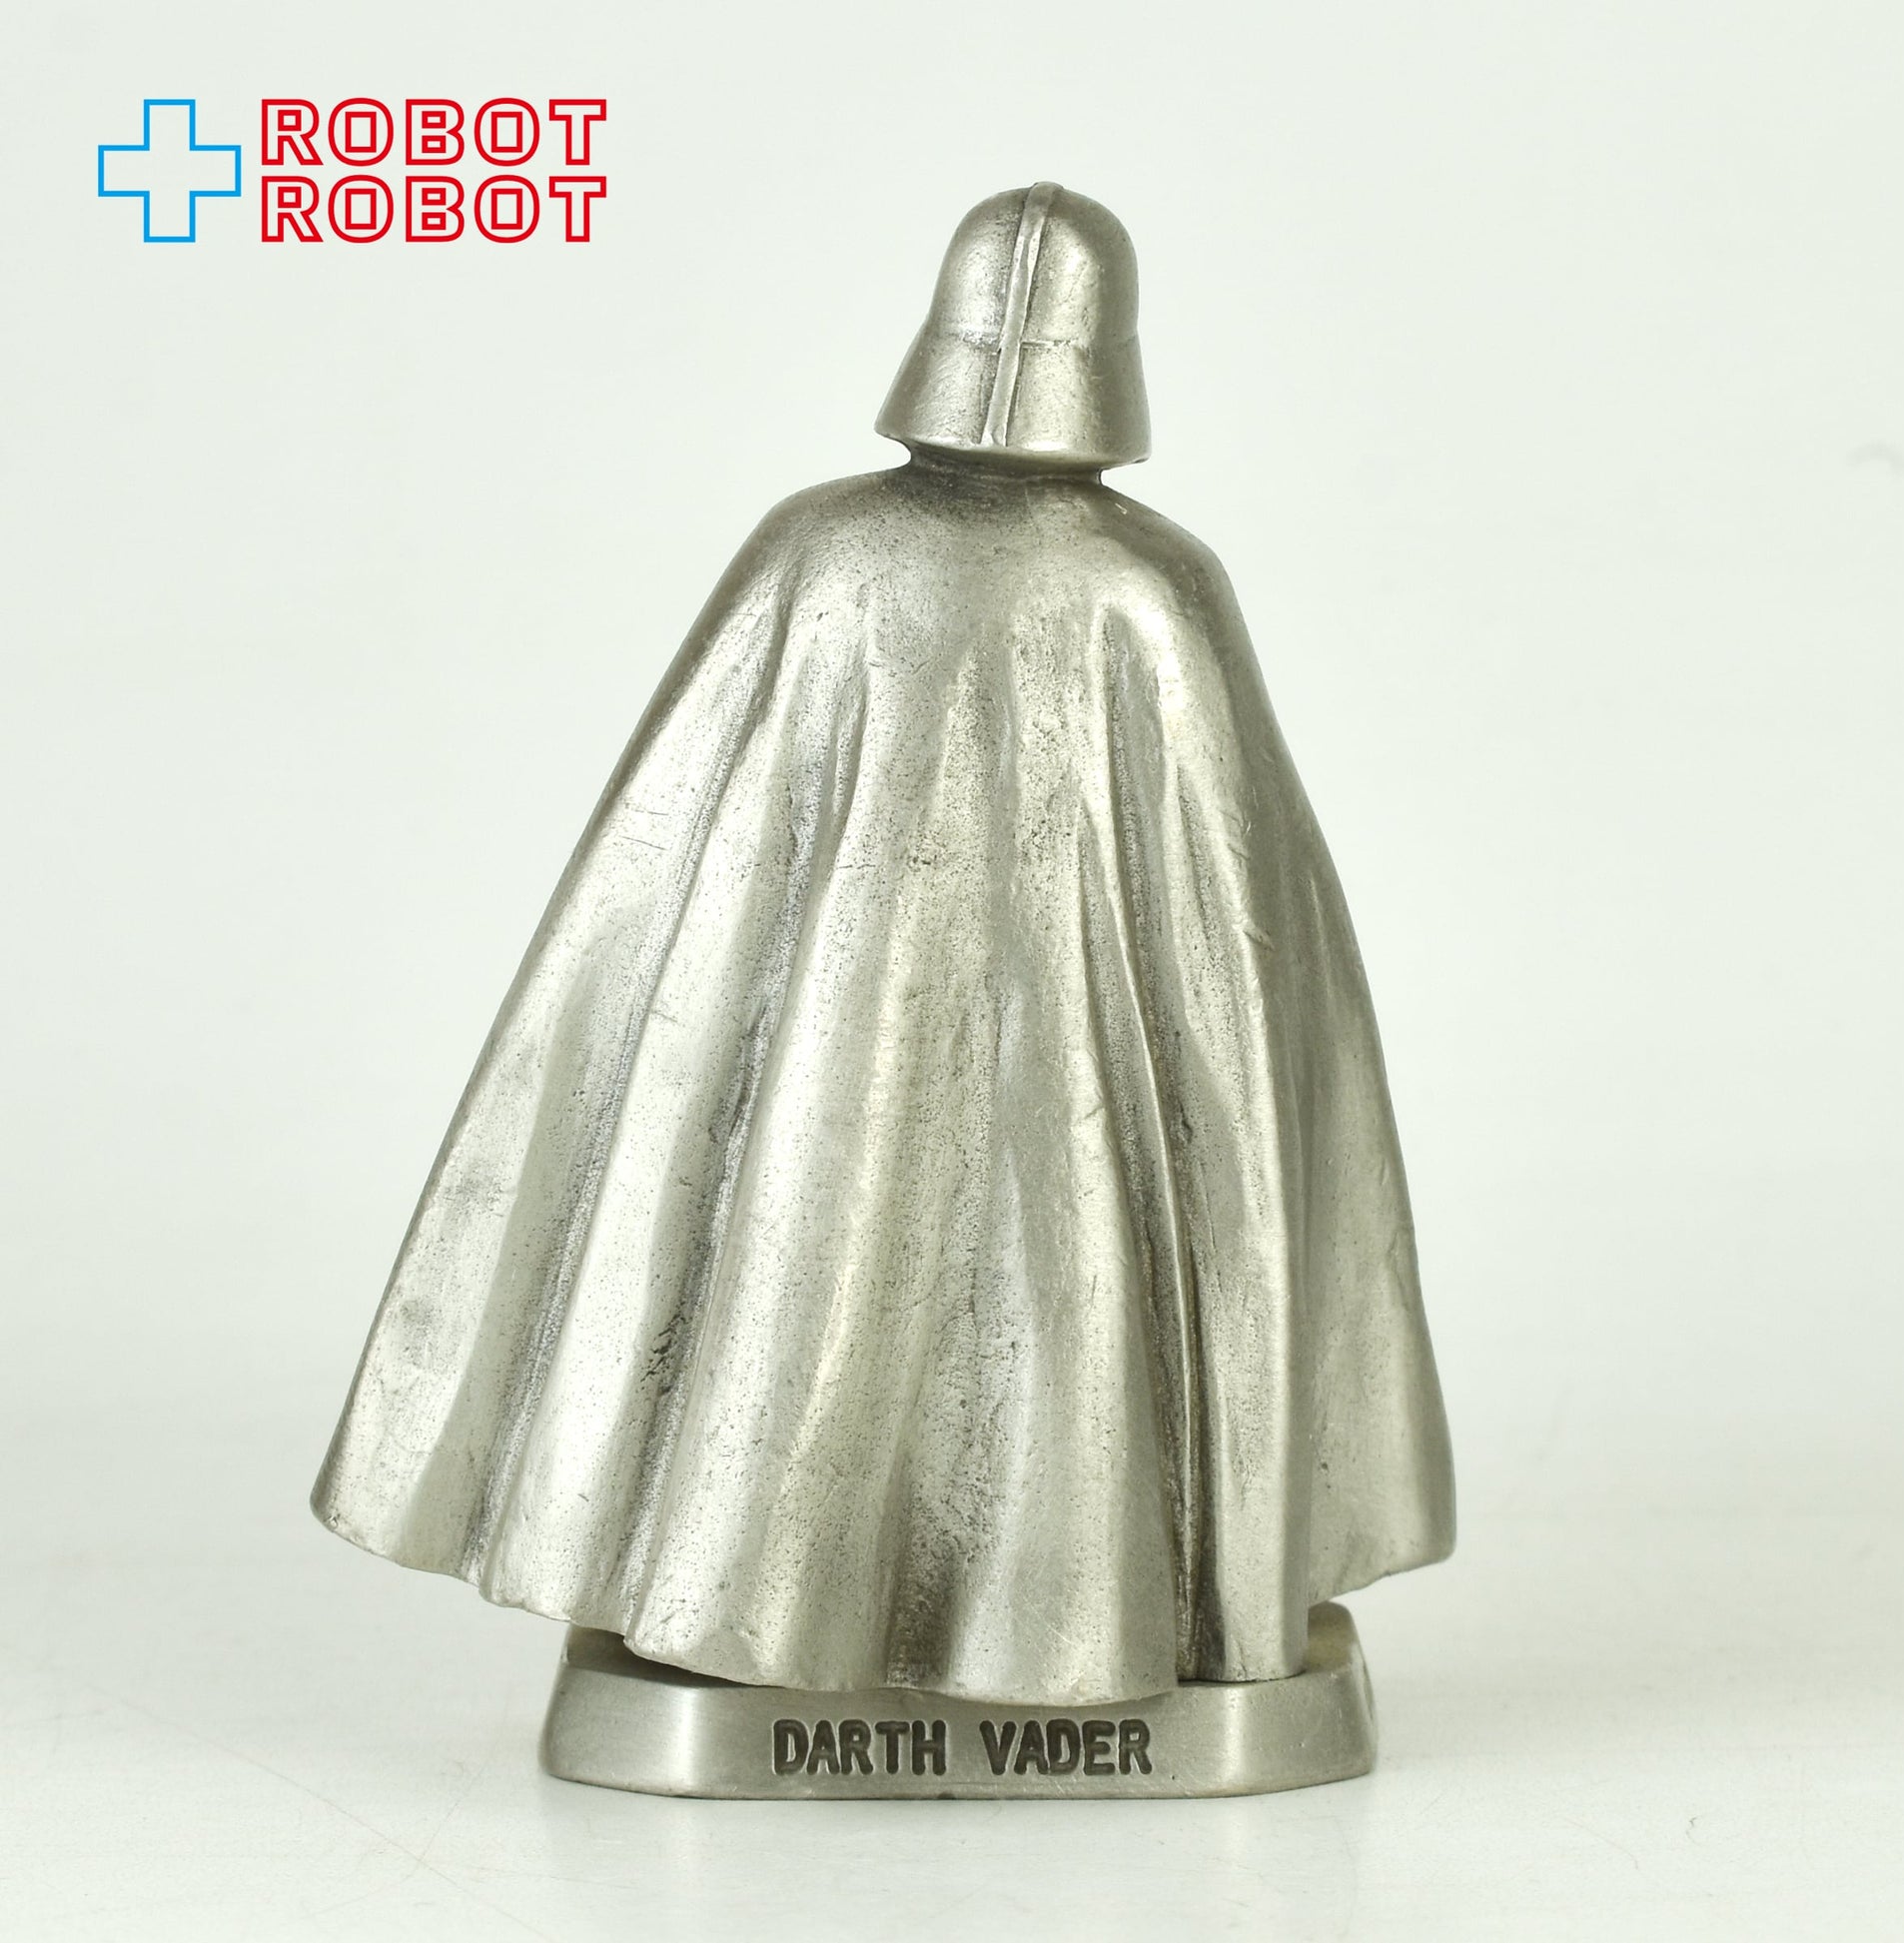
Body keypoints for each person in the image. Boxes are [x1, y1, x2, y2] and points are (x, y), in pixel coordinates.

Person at [314, 183, 1453, 1707]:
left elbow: (666, 879)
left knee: (812, 1265)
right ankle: (1055, 1620)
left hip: (836, 1075)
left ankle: (753, 1598)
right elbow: (1245, 963)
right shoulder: (1141, 586)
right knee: (1052, 1295)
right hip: (1061, 1096)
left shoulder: (832, 553)